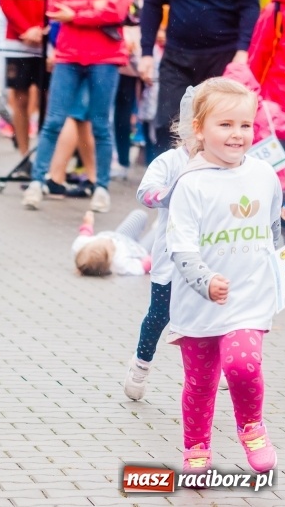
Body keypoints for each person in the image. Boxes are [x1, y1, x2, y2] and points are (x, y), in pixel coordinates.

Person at [166, 77, 280, 474]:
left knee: (243, 365)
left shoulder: (265, 175)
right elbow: (180, 246)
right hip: (199, 304)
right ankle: (196, 448)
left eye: (245, 125)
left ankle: (252, 426)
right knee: (200, 383)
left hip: (248, 298)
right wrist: (205, 281)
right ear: (199, 129)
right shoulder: (190, 184)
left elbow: (272, 233)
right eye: (225, 125)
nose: (238, 134)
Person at [22, 0, 132, 214]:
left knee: (100, 124)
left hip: (103, 56)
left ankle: (101, 187)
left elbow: (117, 10)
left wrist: (75, 13)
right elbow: (54, 8)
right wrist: (96, 5)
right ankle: (37, 182)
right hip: (70, 54)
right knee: (53, 122)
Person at [138, 0, 260, 159]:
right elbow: (152, 1)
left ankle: (218, 180)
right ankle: (167, 183)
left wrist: (243, 50)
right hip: (176, 56)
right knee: (167, 124)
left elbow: (250, 4)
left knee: (220, 126)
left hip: (224, 57)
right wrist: (146, 52)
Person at [123, 87, 193, 401]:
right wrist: (169, 194)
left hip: (214, 263)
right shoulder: (171, 161)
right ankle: (141, 363)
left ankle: (207, 372)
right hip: (170, 261)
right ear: (189, 128)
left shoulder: (231, 166)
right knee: (159, 315)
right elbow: (145, 192)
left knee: (209, 321)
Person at [0, 0, 47, 159]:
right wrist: (25, 29)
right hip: (17, 42)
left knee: (47, 101)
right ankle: (23, 156)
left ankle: (44, 157)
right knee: (20, 100)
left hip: (47, 42)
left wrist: (42, 28)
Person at [72, 210, 152, 276]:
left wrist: (88, 223)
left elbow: (85, 233)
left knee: (139, 214)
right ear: (110, 257)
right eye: (110, 245)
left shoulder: (79, 246)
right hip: (137, 251)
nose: (109, 240)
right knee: (161, 232)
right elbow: (143, 266)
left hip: (120, 236)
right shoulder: (120, 265)